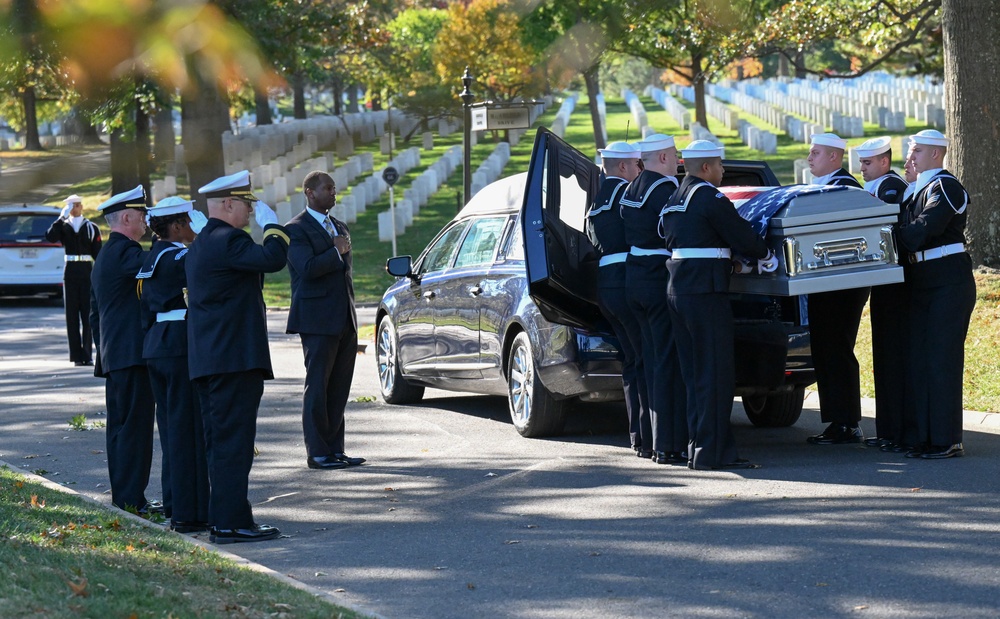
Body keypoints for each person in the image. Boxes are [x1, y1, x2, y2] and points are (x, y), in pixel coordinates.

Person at [185, 170, 289, 544]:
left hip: (214, 360)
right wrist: (274, 226)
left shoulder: (203, 242)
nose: (250, 210)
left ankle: (228, 518)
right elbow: (272, 259)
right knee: (234, 444)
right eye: (246, 204)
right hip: (231, 361)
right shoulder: (228, 240)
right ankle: (230, 524)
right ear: (227, 204)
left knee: (224, 444)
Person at [660, 140, 776, 469]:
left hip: (679, 291)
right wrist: (765, 255)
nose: (724, 171)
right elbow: (741, 235)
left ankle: (697, 447)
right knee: (715, 374)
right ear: (707, 167)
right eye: (721, 165)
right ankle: (713, 454)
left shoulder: (674, 197)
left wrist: (730, 265)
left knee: (694, 374)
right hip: (705, 294)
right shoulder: (709, 197)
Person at [895, 129, 975, 459]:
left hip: (947, 281)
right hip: (923, 280)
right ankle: (924, 436)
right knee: (920, 360)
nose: (909, 157)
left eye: (916, 151)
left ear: (936, 155)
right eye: (911, 151)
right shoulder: (917, 190)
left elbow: (927, 227)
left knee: (941, 361)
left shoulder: (945, 185)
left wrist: (890, 242)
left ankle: (946, 439)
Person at [137, 196, 211, 533]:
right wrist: (207, 233)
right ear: (178, 225)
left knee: (171, 431)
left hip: (156, 342)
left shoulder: (153, 256)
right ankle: (187, 512)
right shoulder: (178, 254)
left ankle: (174, 502)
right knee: (186, 433)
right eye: (187, 221)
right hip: (178, 344)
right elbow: (210, 264)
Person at [285, 171, 366, 471]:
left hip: (345, 317)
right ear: (309, 193)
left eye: (334, 187)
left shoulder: (340, 226)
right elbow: (305, 268)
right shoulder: (295, 228)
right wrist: (335, 251)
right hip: (317, 321)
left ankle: (335, 449)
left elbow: (345, 275)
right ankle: (317, 452)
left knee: (339, 387)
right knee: (318, 386)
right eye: (328, 188)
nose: (334, 193)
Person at [89, 184, 162, 515]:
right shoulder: (125, 253)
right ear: (128, 217)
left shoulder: (108, 253)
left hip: (117, 354)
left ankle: (126, 497)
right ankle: (132, 500)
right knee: (134, 430)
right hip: (132, 355)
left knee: (122, 428)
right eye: (144, 215)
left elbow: (94, 314)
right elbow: (160, 264)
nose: (147, 221)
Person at [619, 133, 687, 465]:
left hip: (634, 278)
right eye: (674, 155)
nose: (678, 161)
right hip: (657, 278)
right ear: (662, 158)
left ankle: (647, 440)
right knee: (665, 361)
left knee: (648, 360)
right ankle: (667, 443)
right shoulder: (663, 189)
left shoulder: (631, 187)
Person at [803, 133, 870, 446]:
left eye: (815, 153)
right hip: (824, 281)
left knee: (837, 348)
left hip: (843, 283)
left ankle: (848, 423)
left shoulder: (845, 186)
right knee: (826, 349)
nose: (809, 158)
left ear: (834, 157)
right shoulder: (823, 185)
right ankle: (837, 421)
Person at [585, 141, 648, 457]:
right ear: (624, 167)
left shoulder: (595, 201)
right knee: (643, 359)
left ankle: (638, 435)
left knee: (631, 361)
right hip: (627, 281)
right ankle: (649, 435)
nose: (641, 171)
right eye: (638, 165)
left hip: (606, 285)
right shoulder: (627, 194)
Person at [854, 137, 910, 450]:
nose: (862, 168)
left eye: (868, 163)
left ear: (884, 162)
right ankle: (888, 430)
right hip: (885, 283)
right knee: (884, 357)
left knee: (892, 356)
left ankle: (895, 430)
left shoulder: (890, 188)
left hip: (895, 286)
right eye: (862, 162)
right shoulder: (879, 186)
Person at [46, 194, 101, 366]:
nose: (74, 209)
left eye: (76, 205)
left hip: (86, 271)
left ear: (81, 206)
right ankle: (76, 356)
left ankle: (87, 354)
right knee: (71, 315)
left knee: (87, 313)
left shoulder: (91, 227)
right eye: (71, 206)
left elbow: (97, 254)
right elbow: (50, 237)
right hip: (70, 272)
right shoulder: (63, 226)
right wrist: (61, 218)